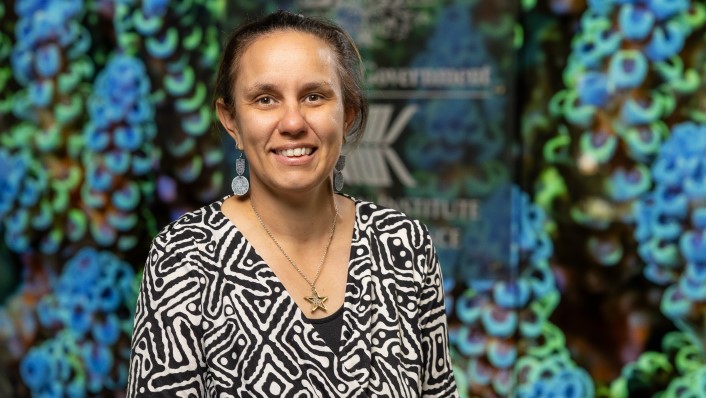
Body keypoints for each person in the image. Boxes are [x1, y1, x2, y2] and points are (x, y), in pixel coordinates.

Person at [127, 10, 458, 397]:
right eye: (265, 99)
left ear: (347, 113)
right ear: (231, 120)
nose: (293, 122)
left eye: (314, 96)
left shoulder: (404, 244)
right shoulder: (184, 257)